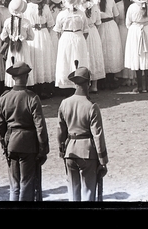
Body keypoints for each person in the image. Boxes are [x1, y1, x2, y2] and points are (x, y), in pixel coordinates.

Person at [0, 62, 49, 202]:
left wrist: (4, 144)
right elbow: (40, 126)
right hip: (28, 144)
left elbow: (0, 126)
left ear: (13, 78)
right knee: (26, 183)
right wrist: (43, 149)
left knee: (14, 185)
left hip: (11, 142)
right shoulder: (32, 97)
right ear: (27, 77)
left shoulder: (4, 98)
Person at [57, 66, 108, 202]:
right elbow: (98, 135)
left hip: (70, 151)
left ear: (74, 83)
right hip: (87, 153)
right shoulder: (91, 106)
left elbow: (60, 131)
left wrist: (62, 150)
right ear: (89, 83)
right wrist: (103, 161)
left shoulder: (64, 103)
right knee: (88, 194)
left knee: (73, 194)